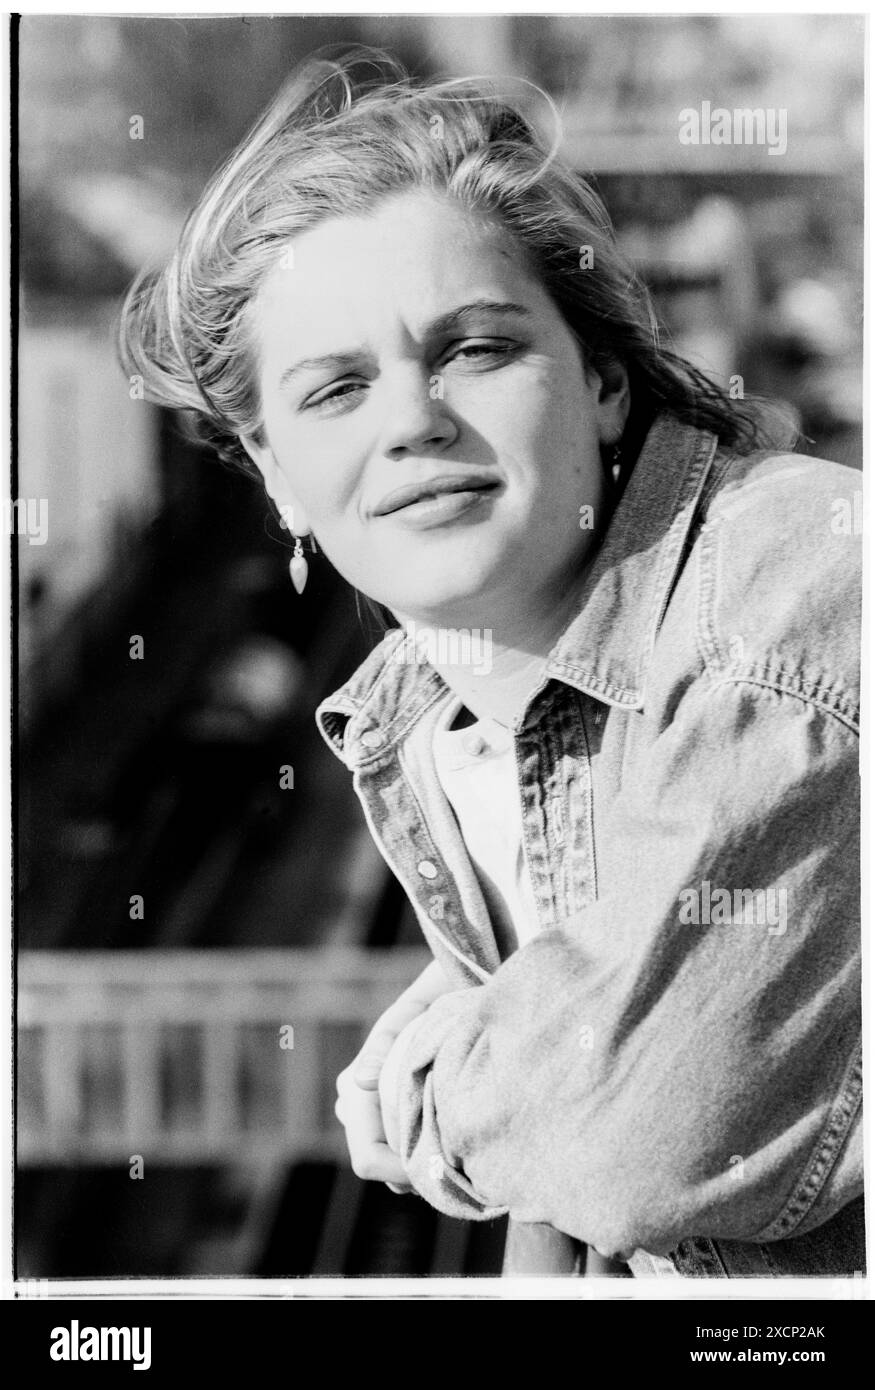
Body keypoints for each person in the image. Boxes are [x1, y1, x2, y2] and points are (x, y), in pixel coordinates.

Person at [120, 50, 863, 1279]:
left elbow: (643, 1140)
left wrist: (431, 1088)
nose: (411, 420)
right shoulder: (440, 731)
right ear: (276, 479)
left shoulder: (781, 608)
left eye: (471, 349)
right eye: (337, 388)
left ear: (606, 382)